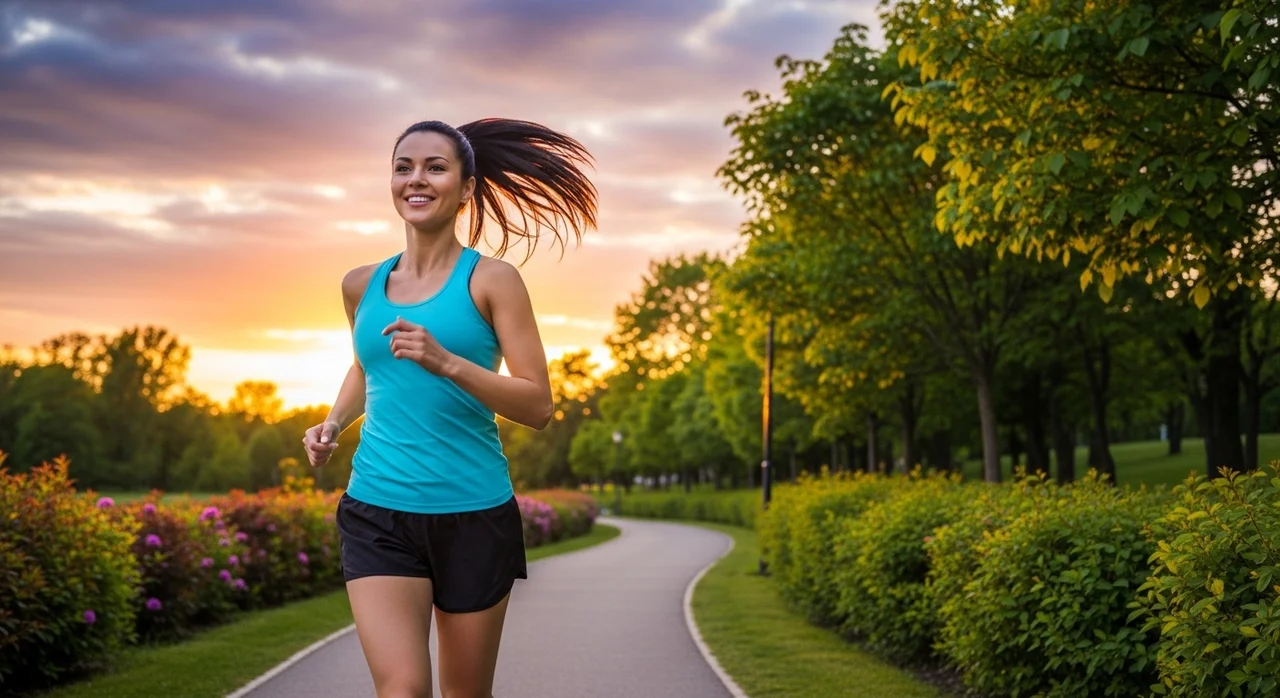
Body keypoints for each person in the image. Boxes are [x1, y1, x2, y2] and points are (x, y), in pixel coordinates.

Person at [302, 118, 597, 698]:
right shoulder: (361, 284)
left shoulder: (493, 280)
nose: (416, 179)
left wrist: (449, 363)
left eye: (435, 167)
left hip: (474, 515)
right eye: (403, 166)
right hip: (377, 511)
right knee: (404, 689)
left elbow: (538, 404)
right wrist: (334, 421)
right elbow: (368, 367)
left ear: (465, 188)